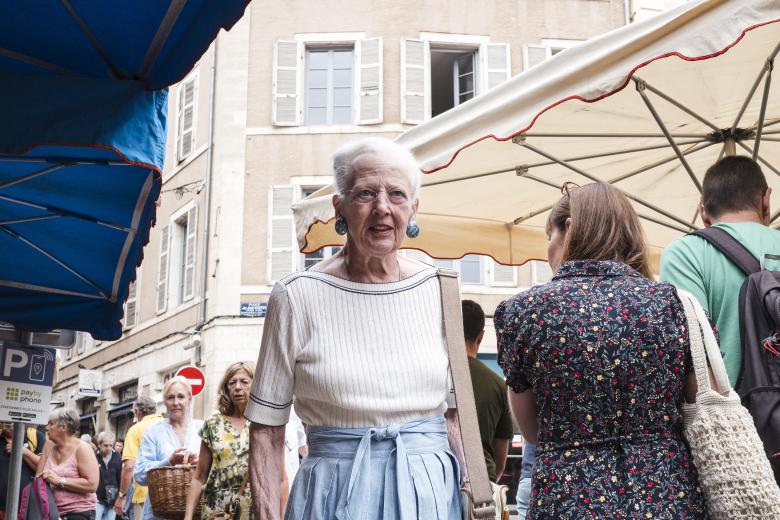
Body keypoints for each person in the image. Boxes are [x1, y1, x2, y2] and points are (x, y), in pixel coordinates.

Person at [246, 138, 463, 520]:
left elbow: (453, 416)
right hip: (333, 493)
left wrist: (466, 493)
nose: (382, 207)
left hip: (431, 493)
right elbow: (266, 430)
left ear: (413, 209)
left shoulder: (439, 289)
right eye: (366, 193)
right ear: (340, 207)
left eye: (396, 194)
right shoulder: (297, 296)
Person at [495, 183, 709, 518]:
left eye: (548, 235)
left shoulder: (524, 312)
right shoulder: (674, 306)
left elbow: (532, 430)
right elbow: (697, 406)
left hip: (568, 497)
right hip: (667, 494)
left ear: (568, 228)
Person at [661, 155, 780, 385]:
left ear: (703, 212)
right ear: (766, 200)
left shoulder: (684, 254)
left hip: (732, 415)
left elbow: (694, 357)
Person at [185, 362, 254, 520]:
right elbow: (200, 475)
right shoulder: (213, 424)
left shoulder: (263, 426)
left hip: (254, 508)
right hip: (217, 511)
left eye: (244, 382)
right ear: (226, 388)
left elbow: (280, 478)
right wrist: (188, 517)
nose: (237, 387)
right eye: (232, 382)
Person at [134, 377, 203, 520]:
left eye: (181, 397)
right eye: (171, 397)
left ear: (189, 399)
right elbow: (140, 475)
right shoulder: (153, 431)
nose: (176, 402)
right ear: (164, 401)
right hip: (159, 515)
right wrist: (169, 461)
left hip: (197, 512)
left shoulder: (202, 429)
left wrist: (201, 464)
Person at [461, 299, 513, 482]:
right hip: (481, 481)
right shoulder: (498, 384)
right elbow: (500, 462)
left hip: (436, 478)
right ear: (481, 336)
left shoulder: (434, 376)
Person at [36, 408, 99, 520]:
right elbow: (38, 477)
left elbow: (92, 485)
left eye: (51, 424)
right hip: (50, 511)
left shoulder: (82, 449)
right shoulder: (49, 445)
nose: (46, 428)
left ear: (63, 427)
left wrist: (59, 480)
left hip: (78, 512)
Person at [114, 396, 162, 520]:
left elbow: (129, 466)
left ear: (138, 412)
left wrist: (121, 496)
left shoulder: (136, 429)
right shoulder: (168, 425)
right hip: (169, 492)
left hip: (144, 493)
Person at [0, 422, 45, 517]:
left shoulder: (34, 436)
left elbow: (43, 467)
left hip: (27, 506)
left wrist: (23, 451)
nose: (6, 427)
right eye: (4, 424)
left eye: (10, 424)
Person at [95, 431, 122, 520]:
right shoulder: (93, 456)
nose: (109, 448)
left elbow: (120, 478)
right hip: (97, 499)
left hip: (113, 499)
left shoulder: (117, 456)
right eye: (106, 445)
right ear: (99, 444)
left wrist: (121, 497)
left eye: (111, 445)